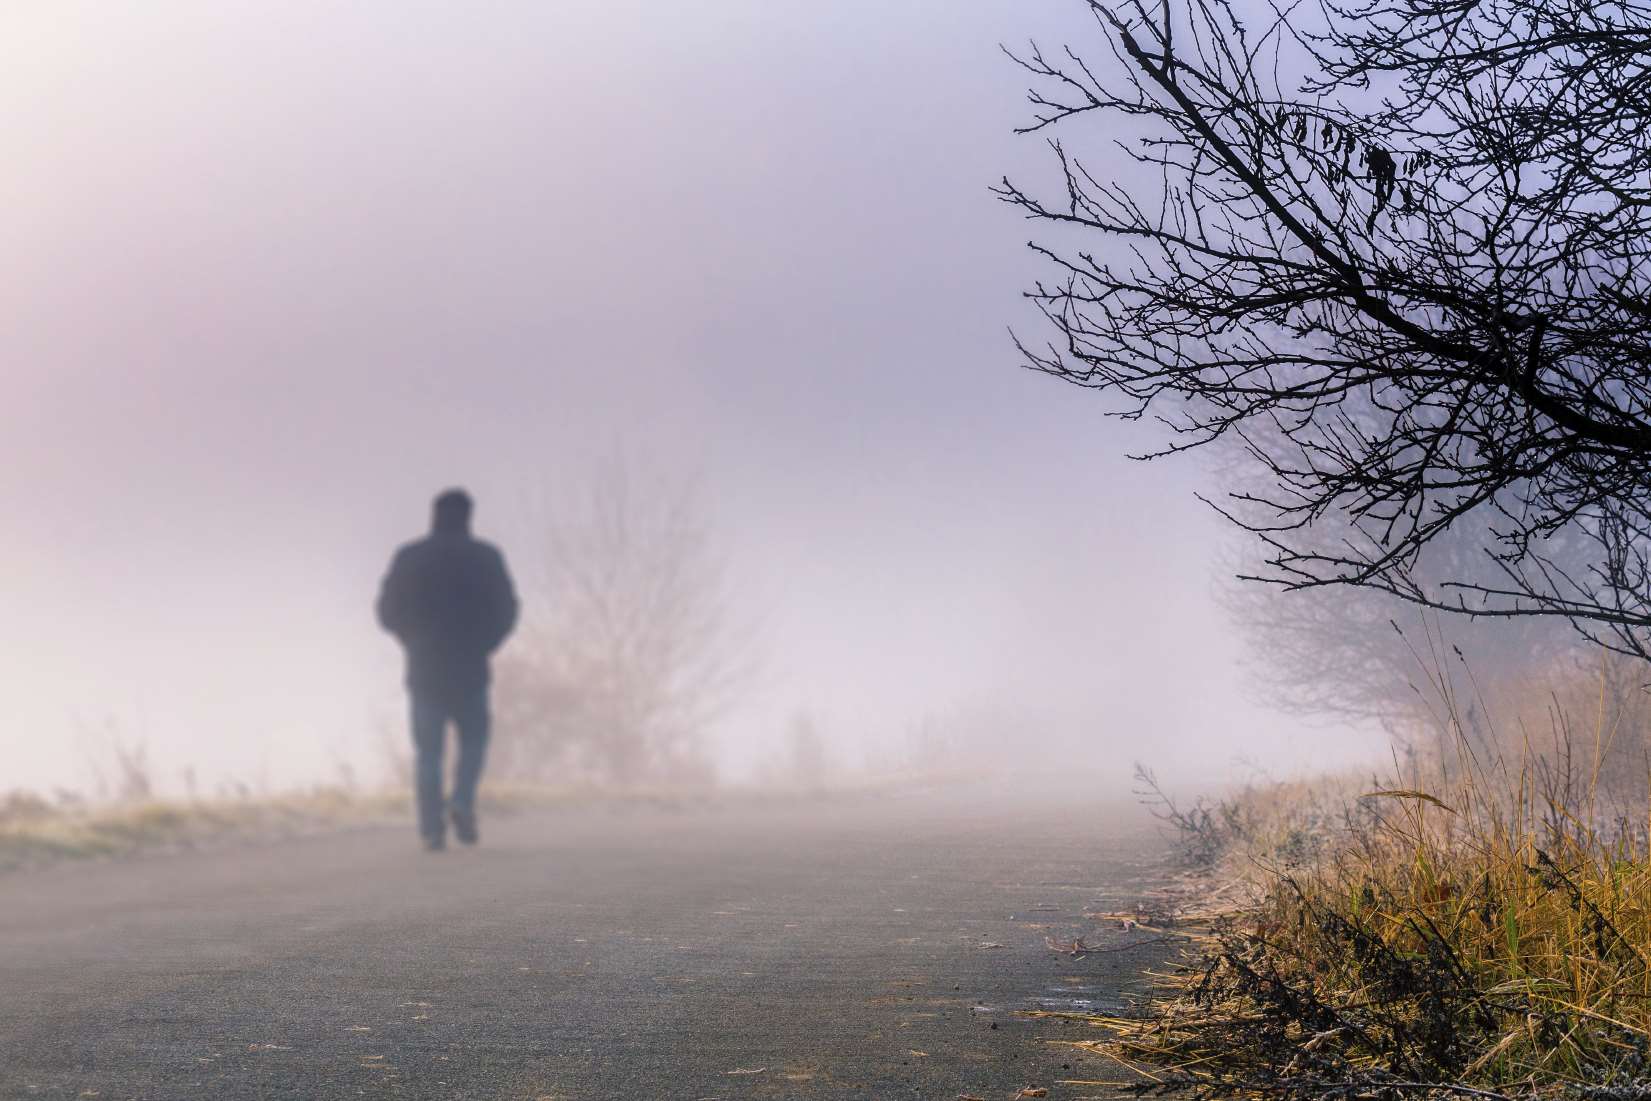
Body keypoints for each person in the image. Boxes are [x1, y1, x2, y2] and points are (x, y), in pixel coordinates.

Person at [376, 489, 519, 851]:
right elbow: (507, 609)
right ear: (468, 516)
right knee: (473, 741)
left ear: (434, 515)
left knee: (428, 751)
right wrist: (486, 643)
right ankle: (461, 801)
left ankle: (430, 829)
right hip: (471, 666)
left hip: (424, 667)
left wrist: (410, 640)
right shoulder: (486, 557)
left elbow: (386, 610)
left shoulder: (410, 557)